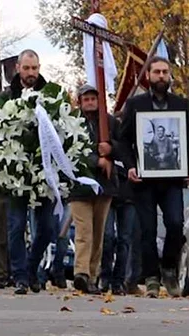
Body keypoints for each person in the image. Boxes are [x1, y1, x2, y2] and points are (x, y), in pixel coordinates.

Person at [119, 56, 189, 298]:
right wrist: (130, 166)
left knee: (175, 223)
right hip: (144, 181)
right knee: (147, 230)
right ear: (149, 76)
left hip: (173, 179)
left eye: (165, 72)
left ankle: (169, 269)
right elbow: (123, 140)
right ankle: (151, 277)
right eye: (157, 72)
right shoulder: (135, 105)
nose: (161, 76)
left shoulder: (182, 104)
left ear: (170, 76)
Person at [2, 49, 58, 295]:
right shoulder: (6, 97)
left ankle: (32, 266)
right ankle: (20, 276)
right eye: (26, 68)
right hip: (16, 172)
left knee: (46, 227)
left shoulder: (51, 96)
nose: (31, 73)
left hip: (44, 171)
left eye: (34, 68)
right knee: (15, 226)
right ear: (18, 68)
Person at [70, 84, 122, 295]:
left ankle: (91, 275)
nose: (90, 103)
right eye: (86, 99)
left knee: (100, 234)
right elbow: (72, 151)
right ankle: (80, 272)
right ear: (80, 102)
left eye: (93, 99)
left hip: (104, 186)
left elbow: (123, 147)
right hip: (80, 186)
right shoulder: (73, 123)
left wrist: (111, 150)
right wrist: (95, 160)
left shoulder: (109, 123)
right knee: (84, 232)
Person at [100, 160, 138, 295]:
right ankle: (105, 276)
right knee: (107, 237)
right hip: (108, 192)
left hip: (129, 195)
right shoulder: (106, 143)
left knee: (125, 239)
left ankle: (118, 281)